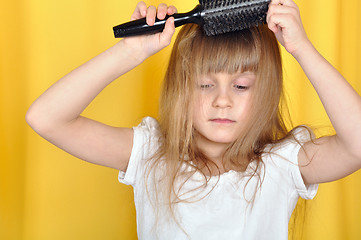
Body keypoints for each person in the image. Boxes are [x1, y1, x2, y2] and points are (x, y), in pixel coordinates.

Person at [26, 0, 361, 239]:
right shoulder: (151, 155)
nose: (222, 101)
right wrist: (129, 53)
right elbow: (46, 118)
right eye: (205, 84)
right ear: (180, 87)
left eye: (241, 86)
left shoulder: (281, 164)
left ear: (267, 89)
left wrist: (302, 48)